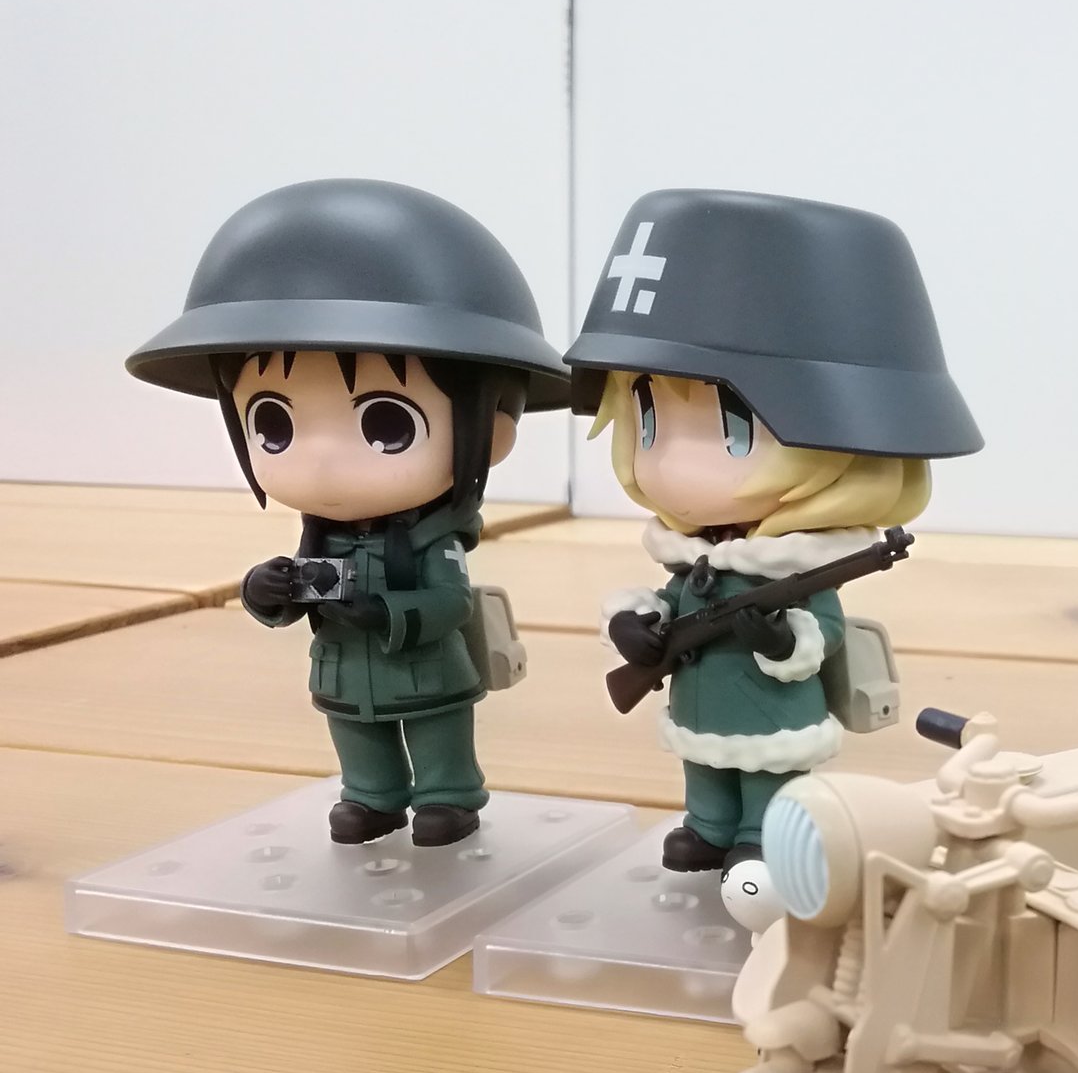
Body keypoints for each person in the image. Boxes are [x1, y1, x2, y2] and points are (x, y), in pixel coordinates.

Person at [567, 189, 980, 906]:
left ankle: (763, 835)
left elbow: (822, 629)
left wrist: (780, 639)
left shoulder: (793, 572)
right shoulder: (691, 560)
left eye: (732, 431)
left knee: (769, 781)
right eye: (647, 421)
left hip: (770, 712)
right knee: (704, 773)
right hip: (699, 703)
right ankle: (707, 826)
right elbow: (666, 600)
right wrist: (636, 627)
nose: (673, 466)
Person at [129, 179, 569, 846]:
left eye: (386, 425)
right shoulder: (318, 538)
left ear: (493, 433)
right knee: (356, 736)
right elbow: (286, 602)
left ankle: (448, 795)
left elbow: (451, 601)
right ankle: (372, 795)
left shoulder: (435, 538)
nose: (324, 461)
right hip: (341, 668)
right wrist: (265, 590)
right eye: (273, 425)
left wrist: (385, 613)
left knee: (438, 733)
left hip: (424, 668)